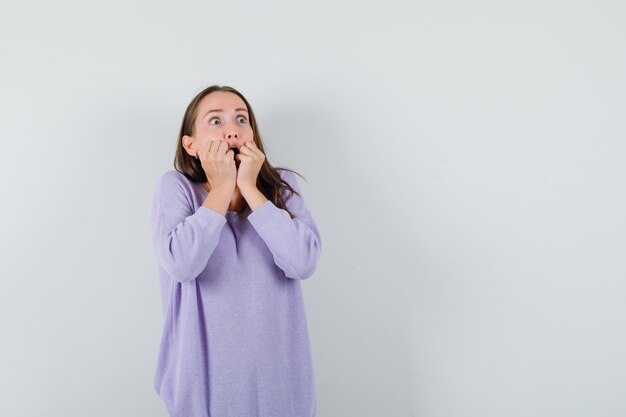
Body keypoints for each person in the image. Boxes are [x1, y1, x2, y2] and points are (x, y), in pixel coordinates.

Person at [150, 84, 322, 417]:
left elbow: (303, 262)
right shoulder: (176, 189)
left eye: (241, 119)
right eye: (215, 121)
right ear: (191, 144)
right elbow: (182, 264)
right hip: (204, 390)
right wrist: (222, 186)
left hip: (282, 389)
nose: (232, 129)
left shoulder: (282, 187)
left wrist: (248, 188)